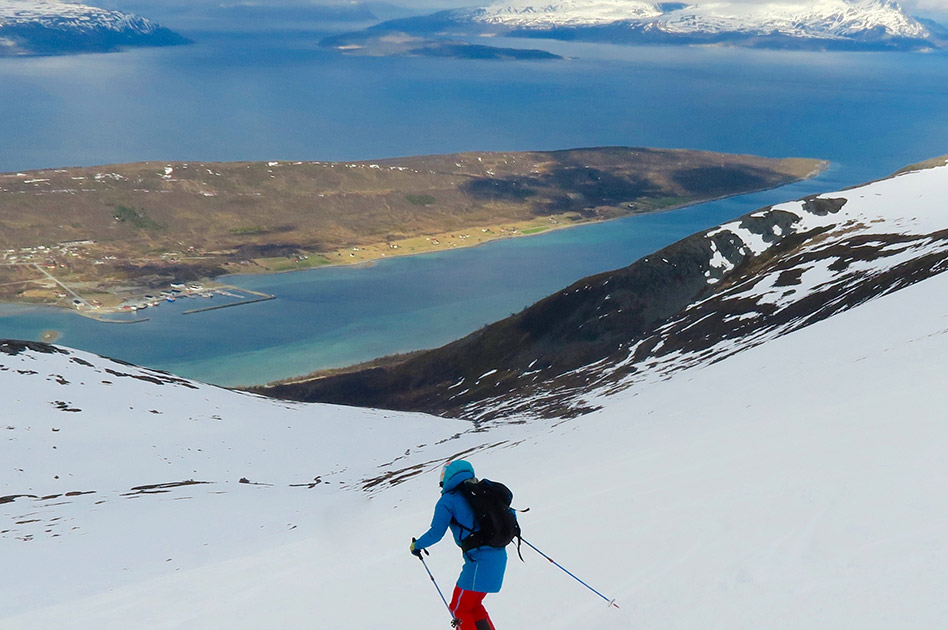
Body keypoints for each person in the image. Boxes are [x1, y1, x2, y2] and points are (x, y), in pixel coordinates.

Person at [411, 459, 509, 630]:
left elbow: (436, 532)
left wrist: (417, 545)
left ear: (447, 477)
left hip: (479, 561)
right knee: (473, 606)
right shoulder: (482, 492)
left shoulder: (448, 500)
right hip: (499, 556)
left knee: (458, 609)